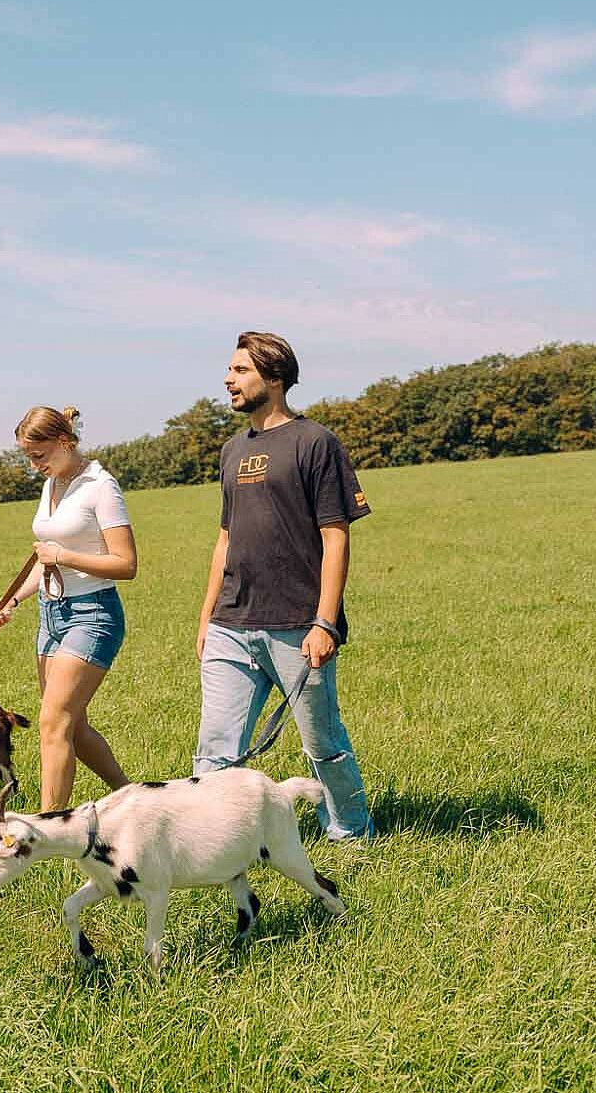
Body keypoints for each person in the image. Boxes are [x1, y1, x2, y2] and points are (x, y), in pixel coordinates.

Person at [194, 331, 375, 840]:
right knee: (215, 747)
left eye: (240, 370)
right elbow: (225, 538)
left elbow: (335, 536)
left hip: (298, 623)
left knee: (322, 743)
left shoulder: (315, 442)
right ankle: (216, 841)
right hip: (231, 623)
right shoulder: (231, 450)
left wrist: (325, 620)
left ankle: (351, 831)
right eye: (230, 370)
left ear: (274, 378)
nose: (229, 379)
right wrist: (207, 616)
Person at [0, 406, 135, 811]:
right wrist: (9, 601)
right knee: (73, 724)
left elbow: (126, 564)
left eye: (40, 455)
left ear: (66, 442)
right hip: (52, 617)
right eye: (28, 457)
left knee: (53, 723)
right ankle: (130, 797)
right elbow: (43, 559)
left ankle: (48, 827)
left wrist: (64, 555)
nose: (34, 466)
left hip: (93, 614)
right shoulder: (52, 484)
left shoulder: (101, 486)